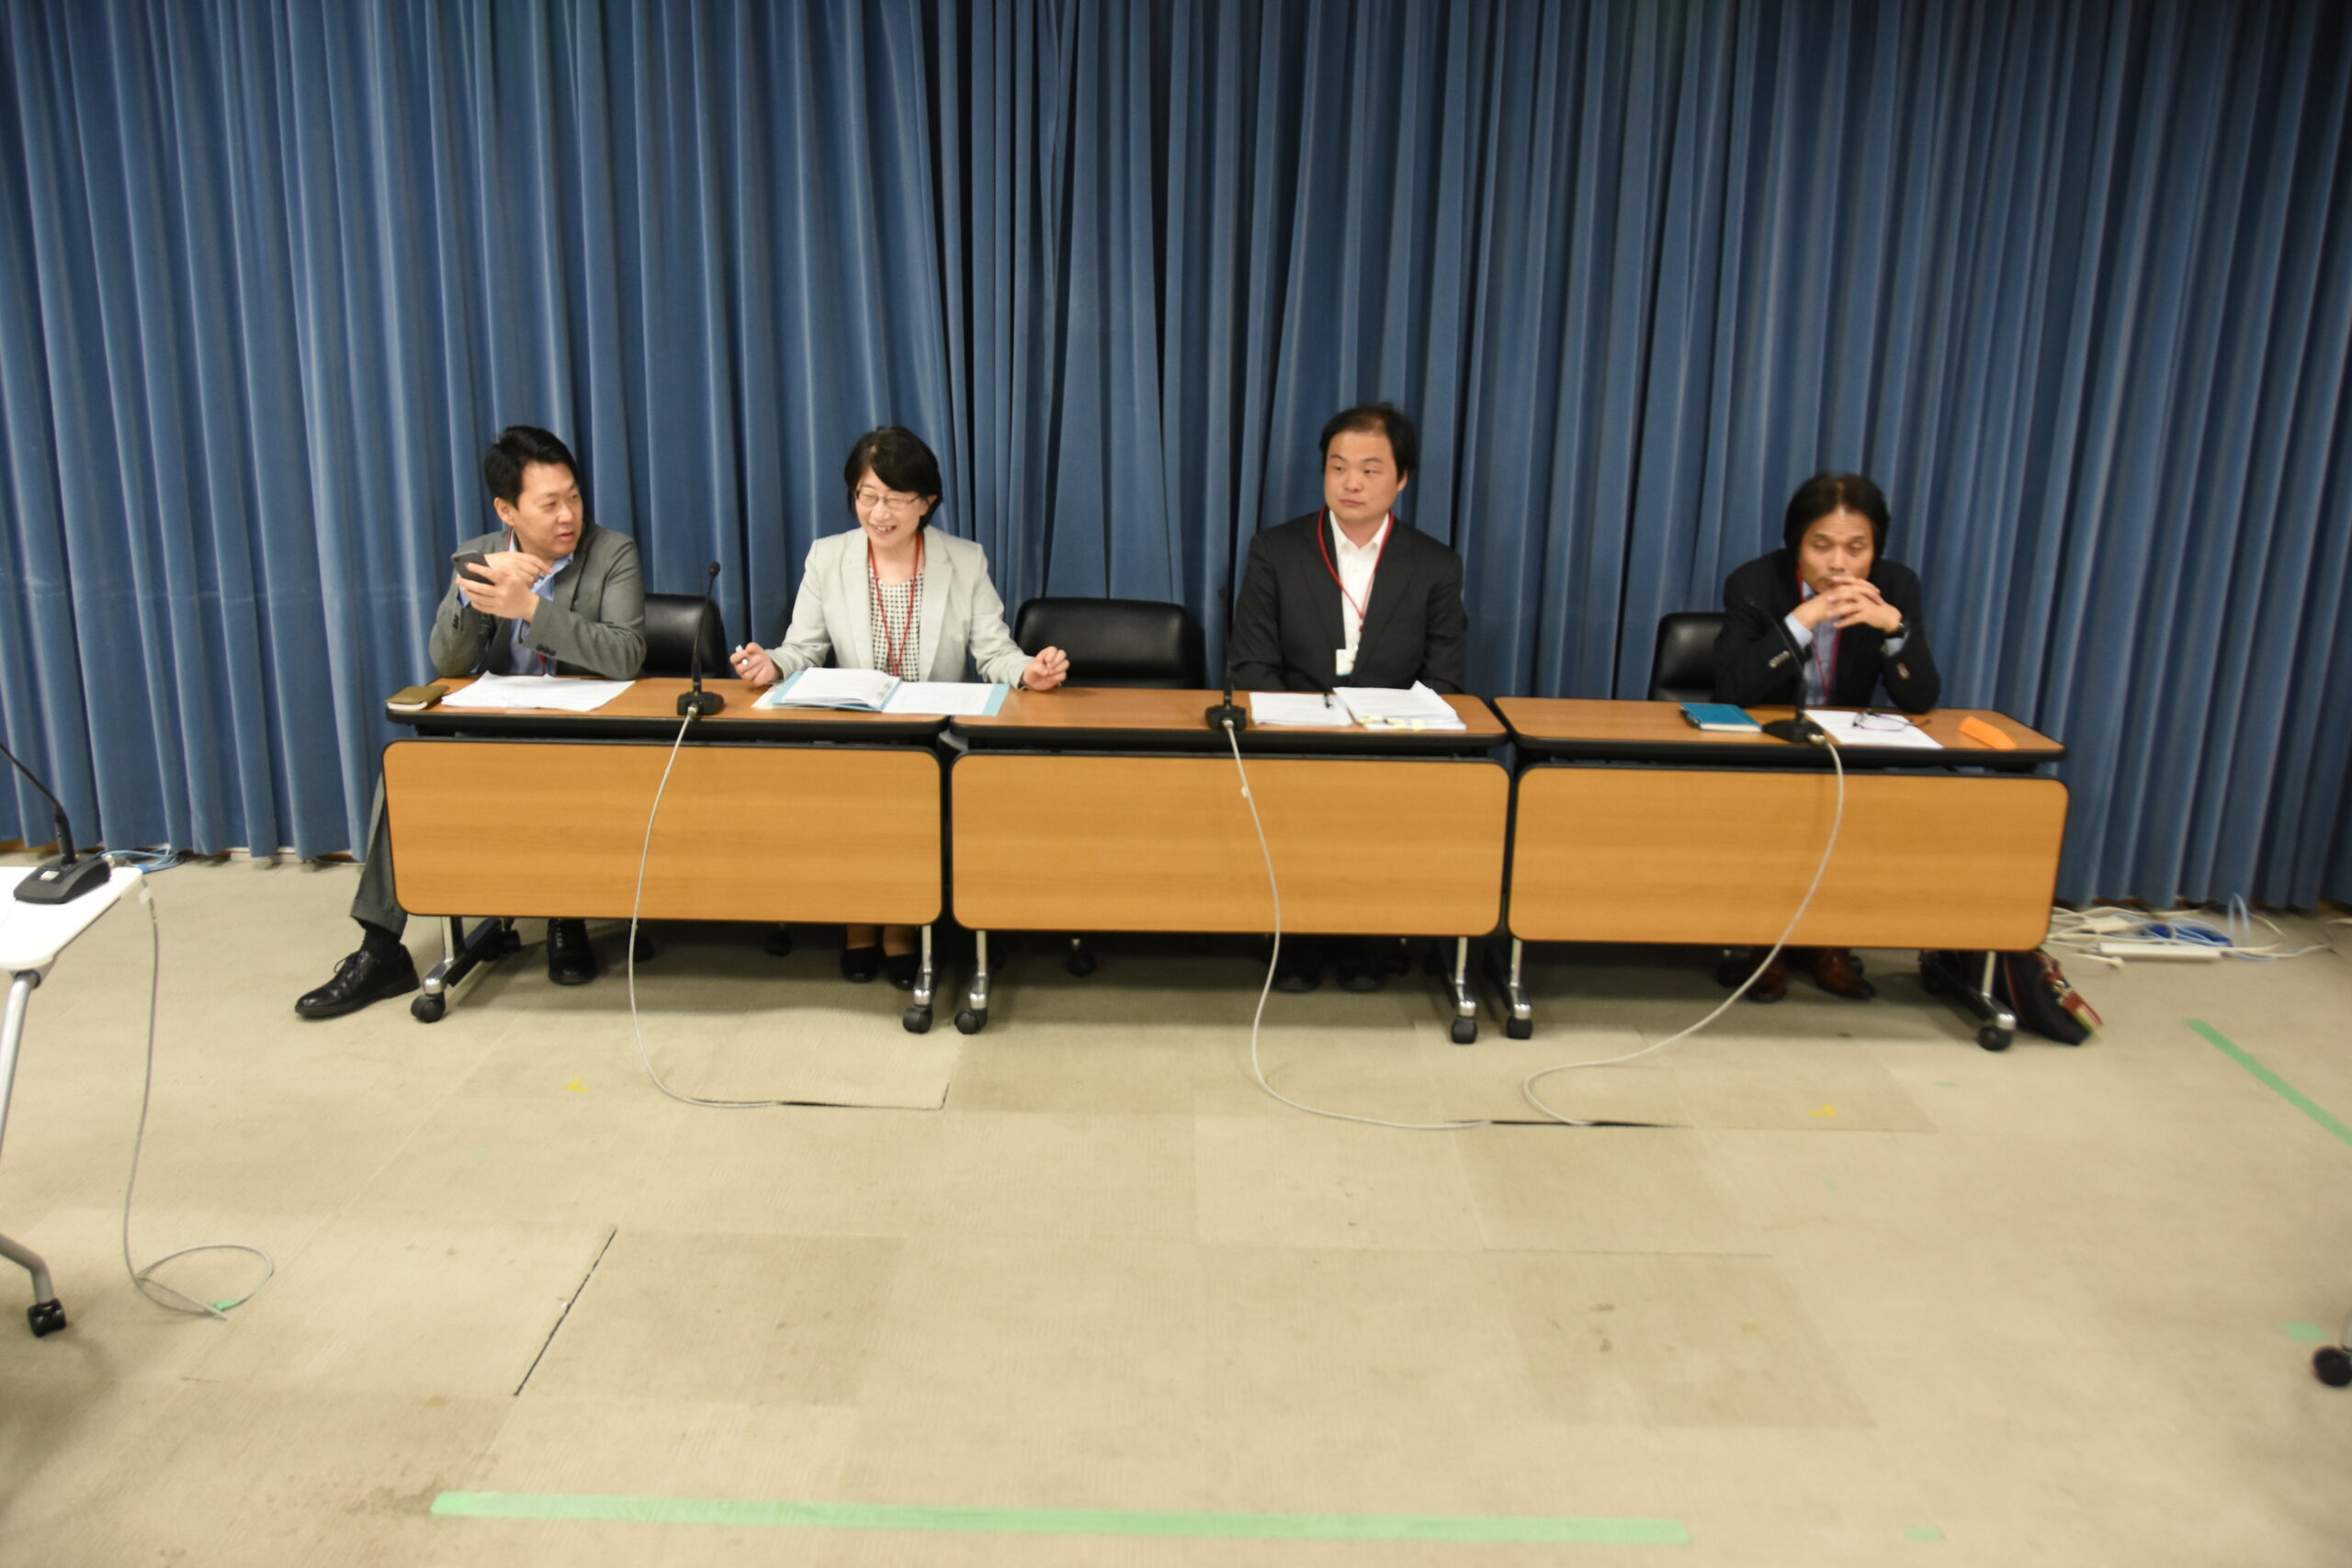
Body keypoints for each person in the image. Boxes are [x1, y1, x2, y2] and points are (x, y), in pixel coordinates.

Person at [294, 425, 647, 1019]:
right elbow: (449, 663)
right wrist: (470, 594)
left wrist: (531, 608)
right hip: (497, 727)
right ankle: (380, 950)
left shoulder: (612, 553)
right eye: (549, 504)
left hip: (582, 730)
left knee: (564, 775)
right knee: (404, 771)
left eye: (574, 497)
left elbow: (626, 655)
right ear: (507, 510)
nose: (569, 515)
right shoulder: (481, 553)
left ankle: (566, 919)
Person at [730, 425, 1069, 988]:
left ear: (926, 502)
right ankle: (859, 923)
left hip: (935, 736)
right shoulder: (828, 557)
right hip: (857, 734)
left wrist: (1029, 671)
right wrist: (773, 665)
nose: (878, 512)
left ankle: (901, 928)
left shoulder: (964, 560)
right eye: (866, 496)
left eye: (894, 498)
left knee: (916, 787)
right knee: (855, 788)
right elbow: (803, 648)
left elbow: (994, 652)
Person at [1227, 402, 1469, 992]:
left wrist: (1384, 729)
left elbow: (1444, 678)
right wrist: (1308, 728)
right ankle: (1298, 940)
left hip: (1392, 747)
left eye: (1369, 469)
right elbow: (1252, 664)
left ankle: (1370, 939)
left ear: (1402, 478)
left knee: (1382, 808)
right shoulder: (1276, 551)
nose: (1351, 483)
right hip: (1295, 742)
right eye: (1338, 468)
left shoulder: (1434, 564)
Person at [1714, 470, 1940, 1003]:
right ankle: (1763, 945)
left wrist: (1894, 631)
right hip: (1768, 750)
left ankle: (1829, 944)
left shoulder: (1897, 587)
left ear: (1875, 549)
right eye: (1822, 546)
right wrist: (1801, 620)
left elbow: (1920, 699)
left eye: (1856, 548)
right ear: (1797, 544)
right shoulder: (1754, 584)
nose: (1839, 564)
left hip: (1849, 754)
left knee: (1873, 807)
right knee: (1774, 808)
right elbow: (1732, 688)